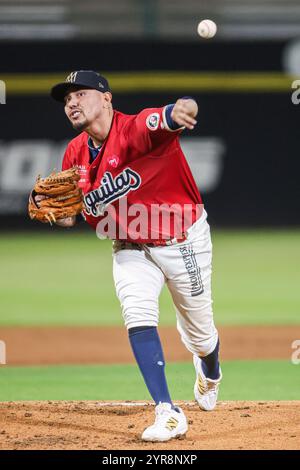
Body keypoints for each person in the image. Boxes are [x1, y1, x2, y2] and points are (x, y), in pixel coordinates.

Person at [50, 70, 222, 442]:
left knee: (201, 333)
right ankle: (167, 410)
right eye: (66, 100)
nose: (72, 104)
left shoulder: (137, 128)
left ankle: (210, 369)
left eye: (79, 94)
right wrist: (50, 209)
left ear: (107, 98)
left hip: (183, 241)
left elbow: (172, 113)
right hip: (129, 246)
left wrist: (185, 109)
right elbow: (67, 218)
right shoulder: (74, 152)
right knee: (137, 313)